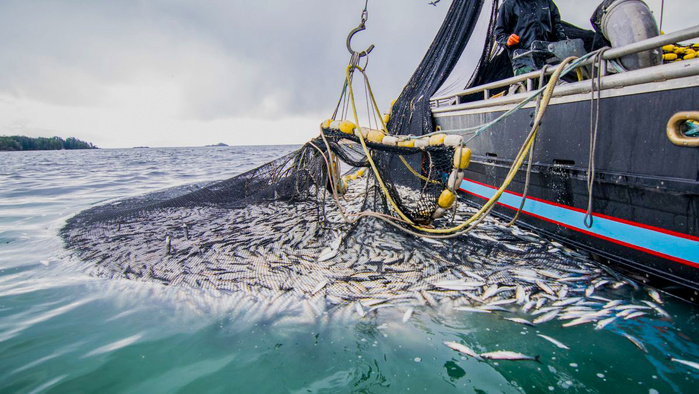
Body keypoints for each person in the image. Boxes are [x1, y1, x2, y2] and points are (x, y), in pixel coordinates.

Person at [494, 0, 568, 75]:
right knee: (526, 84)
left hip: (549, 58)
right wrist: (508, 40)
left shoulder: (547, 3)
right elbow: (499, 34)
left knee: (555, 83)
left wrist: (564, 44)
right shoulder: (509, 4)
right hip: (522, 62)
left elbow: (558, 29)